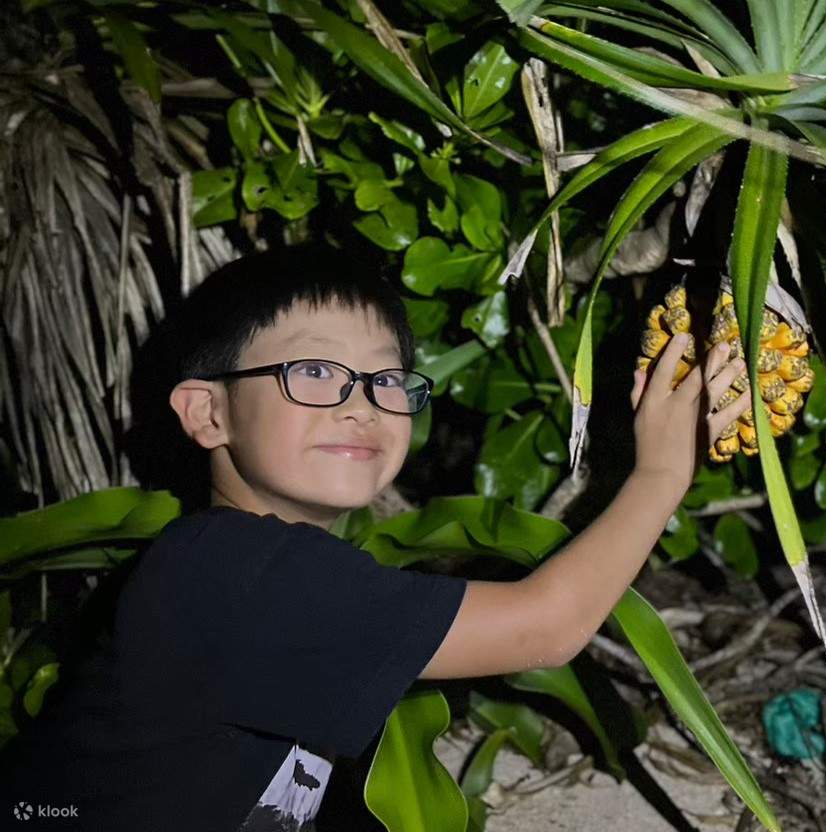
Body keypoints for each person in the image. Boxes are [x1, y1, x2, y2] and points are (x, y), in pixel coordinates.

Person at [0, 242, 750, 830]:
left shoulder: (277, 567)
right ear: (208, 414)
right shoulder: (227, 569)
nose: (363, 406)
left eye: (386, 381)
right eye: (318, 371)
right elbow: (545, 628)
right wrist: (658, 474)